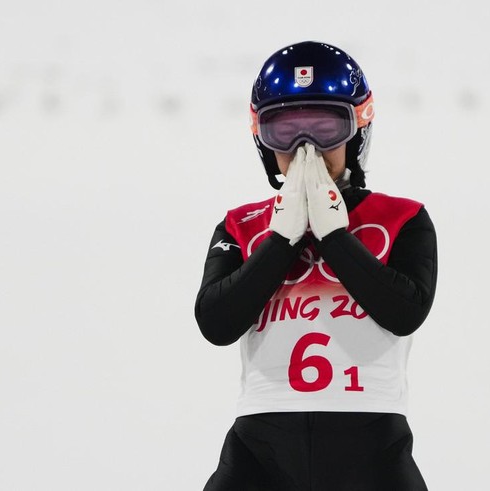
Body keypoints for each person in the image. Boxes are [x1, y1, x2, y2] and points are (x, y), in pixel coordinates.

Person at [194, 40, 438, 490]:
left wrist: (334, 237)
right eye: (284, 130)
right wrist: (281, 239)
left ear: (357, 131)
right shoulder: (241, 225)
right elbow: (216, 323)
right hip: (258, 456)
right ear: (263, 140)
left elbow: (406, 313)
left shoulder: (403, 218)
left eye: (325, 127)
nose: (306, 148)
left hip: (373, 453)